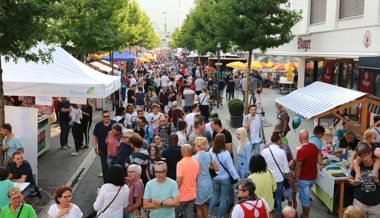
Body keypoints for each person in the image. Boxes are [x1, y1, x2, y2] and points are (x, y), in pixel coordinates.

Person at [261, 132, 293, 217]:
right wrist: (289, 179)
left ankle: (269, 212)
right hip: (279, 179)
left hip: (268, 178)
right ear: (278, 141)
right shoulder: (282, 152)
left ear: (271, 141)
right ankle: (277, 214)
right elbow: (286, 169)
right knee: (278, 197)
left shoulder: (264, 151)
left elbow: (262, 165)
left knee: (269, 196)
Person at [208, 134, 239, 218]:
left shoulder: (211, 151)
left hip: (215, 177)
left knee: (215, 195)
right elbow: (231, 168)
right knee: (223, 198)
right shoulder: (226, 154)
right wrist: (237, 178)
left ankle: (209, 213)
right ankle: (220, 216)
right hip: (225, 179)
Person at [295, 130, 323, 218]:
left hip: (304, 178)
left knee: (305, 200)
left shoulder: (301, 151)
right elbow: (319, 153)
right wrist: (321, 163)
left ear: (300, 138)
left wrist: (295, 179)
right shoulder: (314, 146)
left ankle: (305, 215)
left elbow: (298, 167)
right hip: (313, 177)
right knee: (306, 194)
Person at [348, 145, 380, 218]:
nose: (365, 158)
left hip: (377, 206)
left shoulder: (378, 165)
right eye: (362, 157)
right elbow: (350, 178)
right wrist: (353, 183)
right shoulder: (358, 165)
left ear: (371, 154)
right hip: (359, 203)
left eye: (366, 155)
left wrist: (377, 181)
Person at [193, 137, 217, 218]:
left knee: (198, 207)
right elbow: (216, 168)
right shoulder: (209, 155)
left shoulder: (194, 158)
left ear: (198, 146)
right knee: (203, 204)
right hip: (208, 181)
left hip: (199, 183)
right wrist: (208, 166)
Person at [175, 144, 200, 218]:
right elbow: (196, 178)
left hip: (182, 195)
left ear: (184, 151)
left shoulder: (180, 163)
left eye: (181, 150)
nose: (180, 151)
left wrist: (173, 192)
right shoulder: (196, 162)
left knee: (173, 214)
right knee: (189, 215)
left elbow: (179, 180)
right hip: (192, 194)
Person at [93, 110, 117, 182]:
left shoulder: (114, 124)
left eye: (108, 116)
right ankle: (106, 184)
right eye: (105, 117)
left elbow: (119, 134)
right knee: (105, 168)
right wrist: (95, 148)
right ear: (102, 117)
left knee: (113, 168)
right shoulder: (98, 125)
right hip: (103, 151)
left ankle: (114, 183)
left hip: (113, 151)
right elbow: (94, 136)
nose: (106, 118)